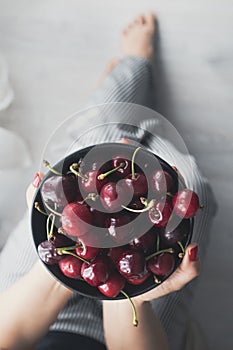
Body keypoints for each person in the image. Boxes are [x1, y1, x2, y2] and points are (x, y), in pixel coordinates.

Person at [0, 13, 216, 350]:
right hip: (129, 318)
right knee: (192, 184)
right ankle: (122, 99)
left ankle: (126, 79)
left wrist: (55, 268)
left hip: (33, 302)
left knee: (93, 145)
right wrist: (134, 293)